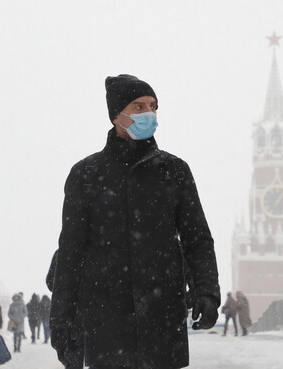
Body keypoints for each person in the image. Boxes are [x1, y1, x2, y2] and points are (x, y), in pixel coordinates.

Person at [50, 74, 220, 369]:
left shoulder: (174, 171)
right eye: (138, 107)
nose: (148, 114)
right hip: (106, 322)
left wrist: (207, 292)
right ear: (117, 115)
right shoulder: (86, 175)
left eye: (153, 106)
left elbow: (197, 239)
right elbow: (70, 253)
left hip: (163, 317)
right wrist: (62, 323)